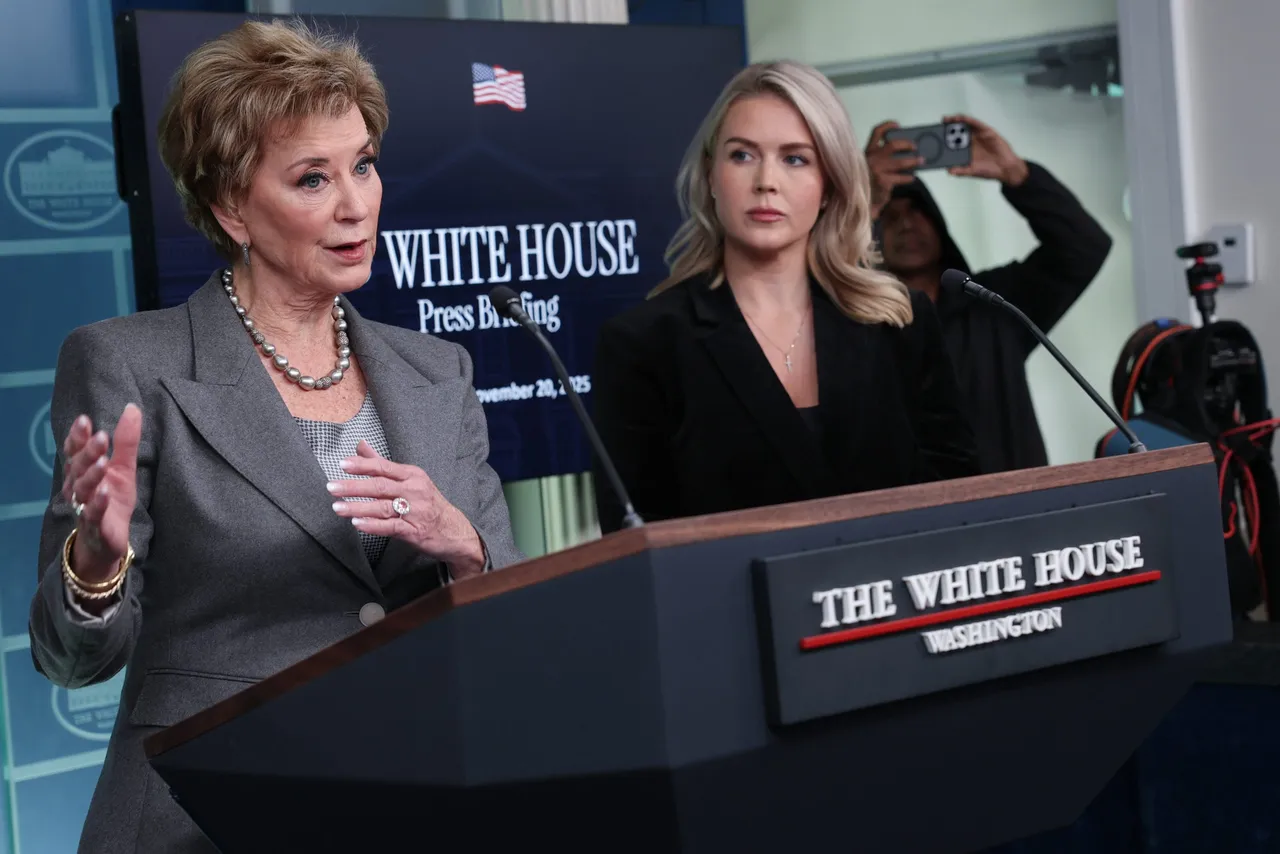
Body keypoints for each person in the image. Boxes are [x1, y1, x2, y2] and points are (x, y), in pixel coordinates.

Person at [29, 19, 521, 853]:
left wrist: (464, 547)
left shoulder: (437, 372)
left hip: (414, 799)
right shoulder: (128, 365)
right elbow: (73, 662)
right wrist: (96, 563)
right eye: (311, 179)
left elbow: (515, 627)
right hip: (208, 820)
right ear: (231, 208)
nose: (355, 202)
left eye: (363, 164)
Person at [590, 61, 980, 534]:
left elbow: (959, 502)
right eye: (742, 156)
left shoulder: (900, 322)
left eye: (795, 158)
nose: (766, 182)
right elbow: (637, 543)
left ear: (828, 186)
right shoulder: (642, 344)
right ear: (711, 177)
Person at [865, 115, 1113, 474]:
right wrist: (864, 202)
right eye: (890, 215)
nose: (906, 224)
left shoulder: (993, 303)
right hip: (907, 516)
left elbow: (1083, 248)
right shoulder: (856, 322)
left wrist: (1017, 174)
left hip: (1014, 508)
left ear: (938, 223)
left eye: (917, 211)